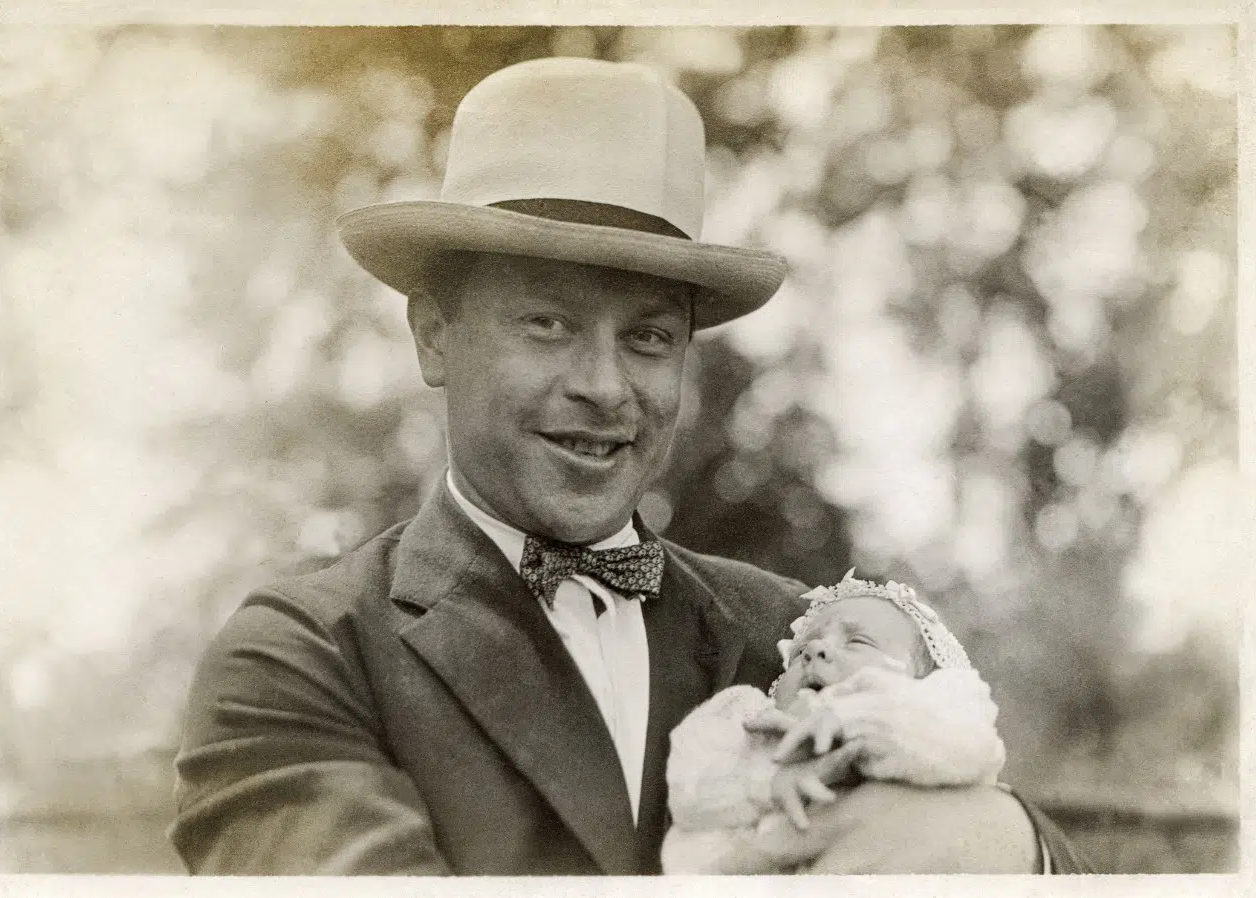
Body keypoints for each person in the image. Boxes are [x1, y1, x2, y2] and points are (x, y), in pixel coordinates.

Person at [168, 56, 1092, 875]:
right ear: (435, 337)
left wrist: (979, 835)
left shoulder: (797, 635)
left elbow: (1023, 850)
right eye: (549, 324)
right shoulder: (306, 657)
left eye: (648, 337)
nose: (606, 387)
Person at [660, 570, 1012, 874]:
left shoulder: (932, 716)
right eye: (801, 651)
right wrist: (768, 779)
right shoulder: (748, 720)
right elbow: (689, 786)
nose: (816, 651)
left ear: (923, 682)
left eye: (857, 641)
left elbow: (972, 743)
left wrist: (852, 718)